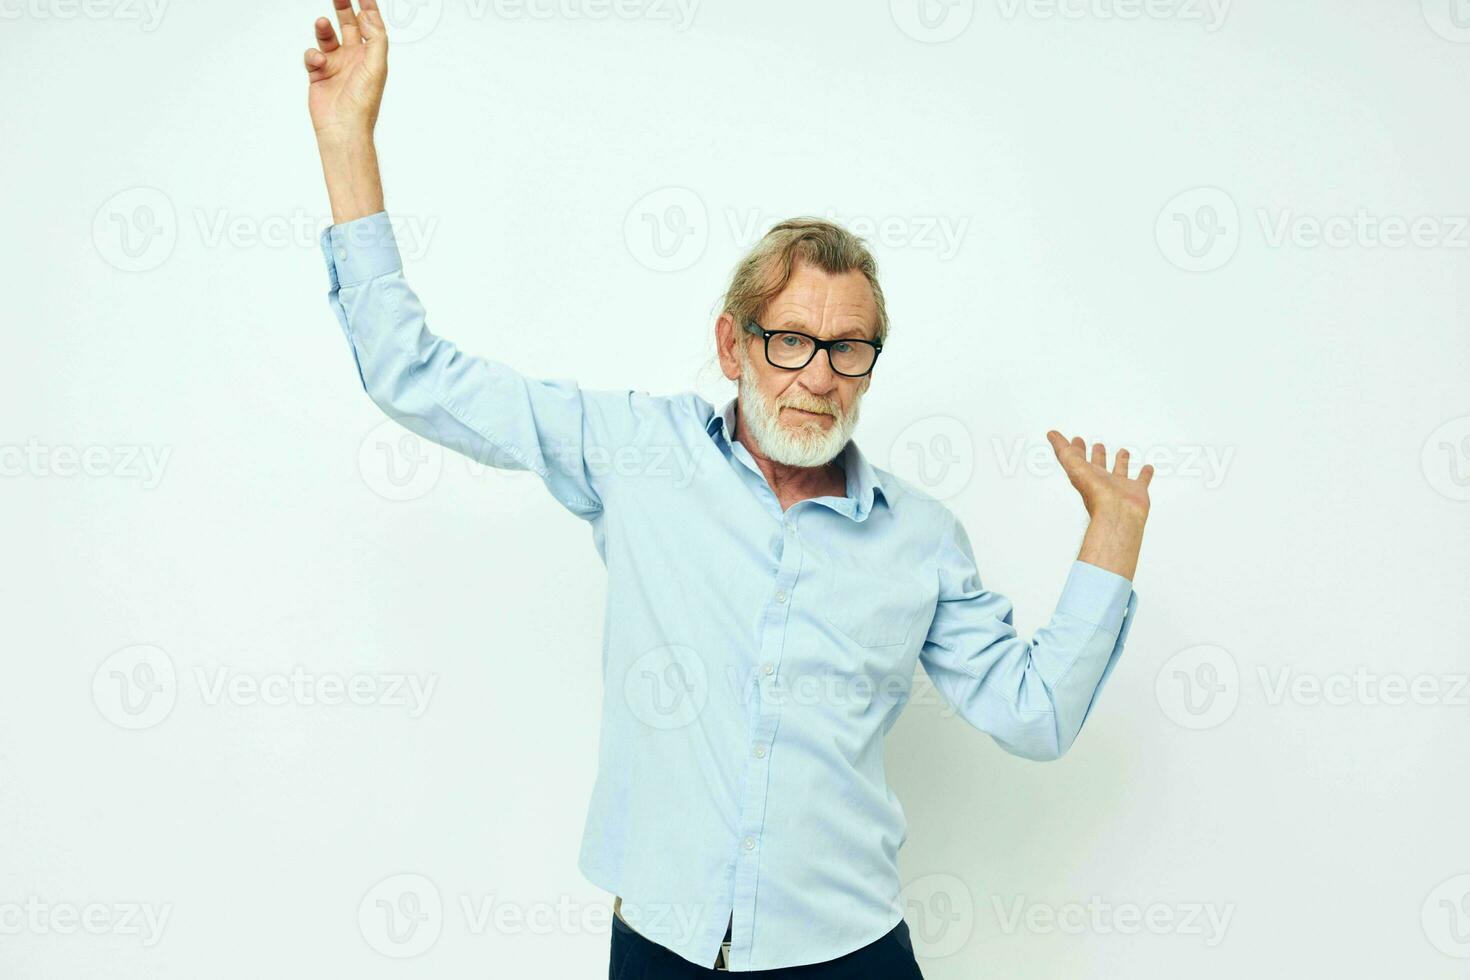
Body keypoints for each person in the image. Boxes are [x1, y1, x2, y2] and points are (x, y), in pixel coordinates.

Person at [302, 2, 1152, 974]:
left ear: (870, 364)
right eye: (790, 340)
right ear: (732, 343)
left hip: (848, 951)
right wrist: (346, 140)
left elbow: (1032, 714)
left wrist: (1114, 536)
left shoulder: (922, 538)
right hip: (664, 942)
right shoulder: (631, 450)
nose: (818, 373)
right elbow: (410, 373)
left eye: (847, 347)